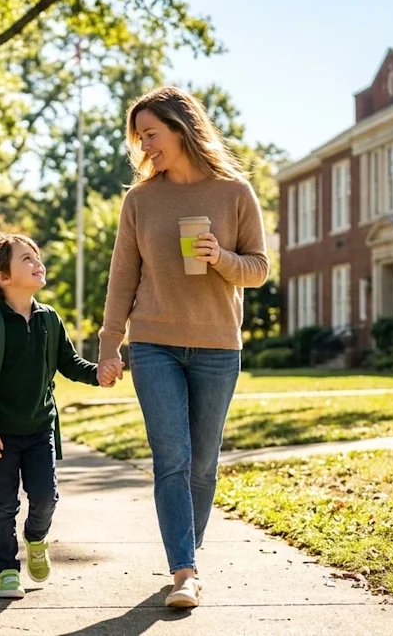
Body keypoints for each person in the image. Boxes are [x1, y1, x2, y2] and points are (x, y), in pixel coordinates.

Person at [98, 86, 269, 608]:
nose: (145, 145)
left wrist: (220, 257)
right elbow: (122, 278)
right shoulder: (140, 200)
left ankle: (186, 552)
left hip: (218, 345)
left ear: (181, 127)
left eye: (151, 133)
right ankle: (185, 572)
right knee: (171, 458)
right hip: (154, 344)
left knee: (202, 464)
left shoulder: (235, 193)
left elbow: (259, 269)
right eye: (139, 136)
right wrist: (110, 346)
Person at [0, 234, 121, 599]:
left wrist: (97, 374)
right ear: (3, 278)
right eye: (26, 259)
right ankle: (6, 569)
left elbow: (68, 363)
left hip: (39, 429)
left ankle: (36, 538)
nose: (38, 263)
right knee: (3, 504)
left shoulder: (50, 319)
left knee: (46, 497)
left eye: (37, 256)